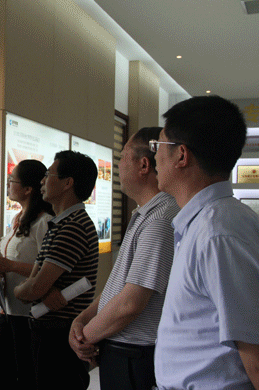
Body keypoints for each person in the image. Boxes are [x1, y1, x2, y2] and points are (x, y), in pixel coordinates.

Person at [153, 95, 259, 389]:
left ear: (181, 155)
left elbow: (255, 355)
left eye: (158, 145)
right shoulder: (205, 223)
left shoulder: (217, 234)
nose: (154, 157)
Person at [68, 127, 180, 390]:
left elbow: (131, 303)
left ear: (144, 165)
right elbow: (118, 288)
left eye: (122, 158)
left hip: (135, 355)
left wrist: (85, 337)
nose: (117, 167)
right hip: (122, 350)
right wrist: (82, 319)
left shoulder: (160, 219)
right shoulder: (145, 214)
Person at [14, 150, 99, 390]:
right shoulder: (60, 224)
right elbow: (36, 282)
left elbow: (34, 287)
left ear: (67, 183)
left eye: (48, 175)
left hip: (59, 335)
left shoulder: (72, 227)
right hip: (50, 331)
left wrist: (22, 290)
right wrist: (32, 288)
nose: (42, 181)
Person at [0, 159, 54, 389]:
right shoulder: (17, 219)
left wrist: (11, 266)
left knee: (26, 377)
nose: (8, 184)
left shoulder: (44, 222)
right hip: (7, 311)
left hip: (29, 314)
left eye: (12, 180)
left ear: (28, 189)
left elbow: (47, 269)